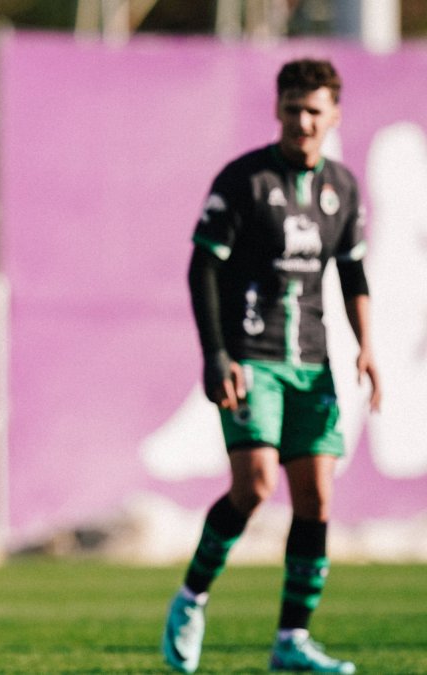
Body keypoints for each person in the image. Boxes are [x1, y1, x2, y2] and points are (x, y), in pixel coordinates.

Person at [162, 59, 381, 674]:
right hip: (252, 360)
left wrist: (367, 346)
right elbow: (202, 267)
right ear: (278, 111)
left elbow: (353, 271)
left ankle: (291, 640)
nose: (303, 122)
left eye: (314, 111)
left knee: (315, 500)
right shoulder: (245, 181)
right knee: (254, 485)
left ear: (334, 115)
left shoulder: (343, 186)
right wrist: (216, 355)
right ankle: (192, 598)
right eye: (293, 109)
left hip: (313, 365)